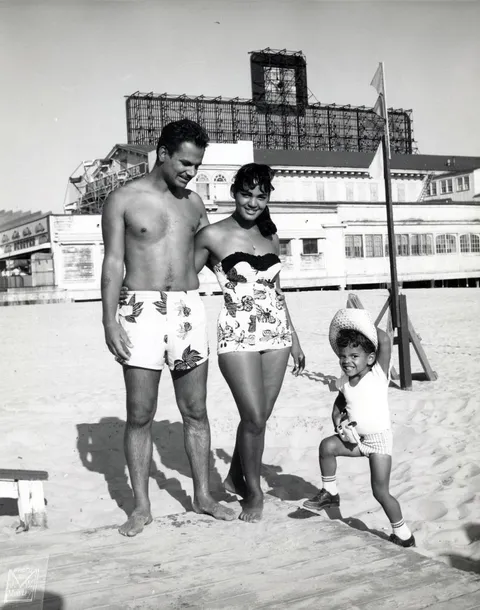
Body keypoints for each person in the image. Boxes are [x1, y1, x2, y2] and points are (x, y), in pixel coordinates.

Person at [101, 118, 236, 537]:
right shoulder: (122, 199)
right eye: (184, 162)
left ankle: (203, 496)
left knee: (195, 410)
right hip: (139, 308)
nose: (190, 172)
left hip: (187, 308)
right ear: (162, 153)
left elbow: (215, 255)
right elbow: (112, 263)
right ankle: (141, 507)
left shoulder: (194, 203)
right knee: (140, 413)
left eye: (196, 165)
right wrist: (108, 320)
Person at [194, 163, 305, 523]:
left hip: (277, 336)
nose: (253, 202)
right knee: (254, 416)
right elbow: (183, 279)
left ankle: (235, 475)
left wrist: (296, 337)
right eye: (246, 193)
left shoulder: (270, 236)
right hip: (235, 335)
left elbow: (276, 291)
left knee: (259, 418)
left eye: (261, 195)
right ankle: (253, 491)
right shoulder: (212, 235)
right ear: (234, 193)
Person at [303, 308, 415, 547]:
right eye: (343, 356)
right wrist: (336, 417)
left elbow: (383, 340)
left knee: (380, 492)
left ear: (370, 358)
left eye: (355, 356)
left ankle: (404, 534)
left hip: (379, 443)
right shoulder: (343, 381)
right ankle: (330, 492)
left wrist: (360, 326)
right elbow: (340, 401)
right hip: (357, 440)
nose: (347, 361)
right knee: (327, 446)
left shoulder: (377, 374)